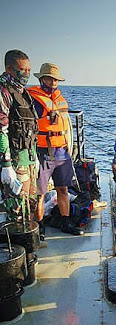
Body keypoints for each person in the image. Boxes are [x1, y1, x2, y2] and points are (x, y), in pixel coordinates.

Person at [28, 63, 83, 237]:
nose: (52, 83)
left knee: (63, 189)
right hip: (43, 151)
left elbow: (65, 123)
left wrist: (69, 147)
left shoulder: (59, 98)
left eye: (55, 80)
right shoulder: (33, 99)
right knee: (39, 194)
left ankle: (66, 222)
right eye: (49, 79)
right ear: (41, 79)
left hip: (62, 151)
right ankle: (39, 227)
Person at [0, 50, 38, 225]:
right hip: (15, 161)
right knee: (17, 206)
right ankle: (17, 248)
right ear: (9, 69)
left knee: (30, 203)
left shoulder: (23, 93)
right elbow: (2, 130)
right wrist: (6, 165)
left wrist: (34, 156)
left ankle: (29, 247)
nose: (26, 74)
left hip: (28, 158)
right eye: (22, 70)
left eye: (29, 70)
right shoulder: (4, 92)